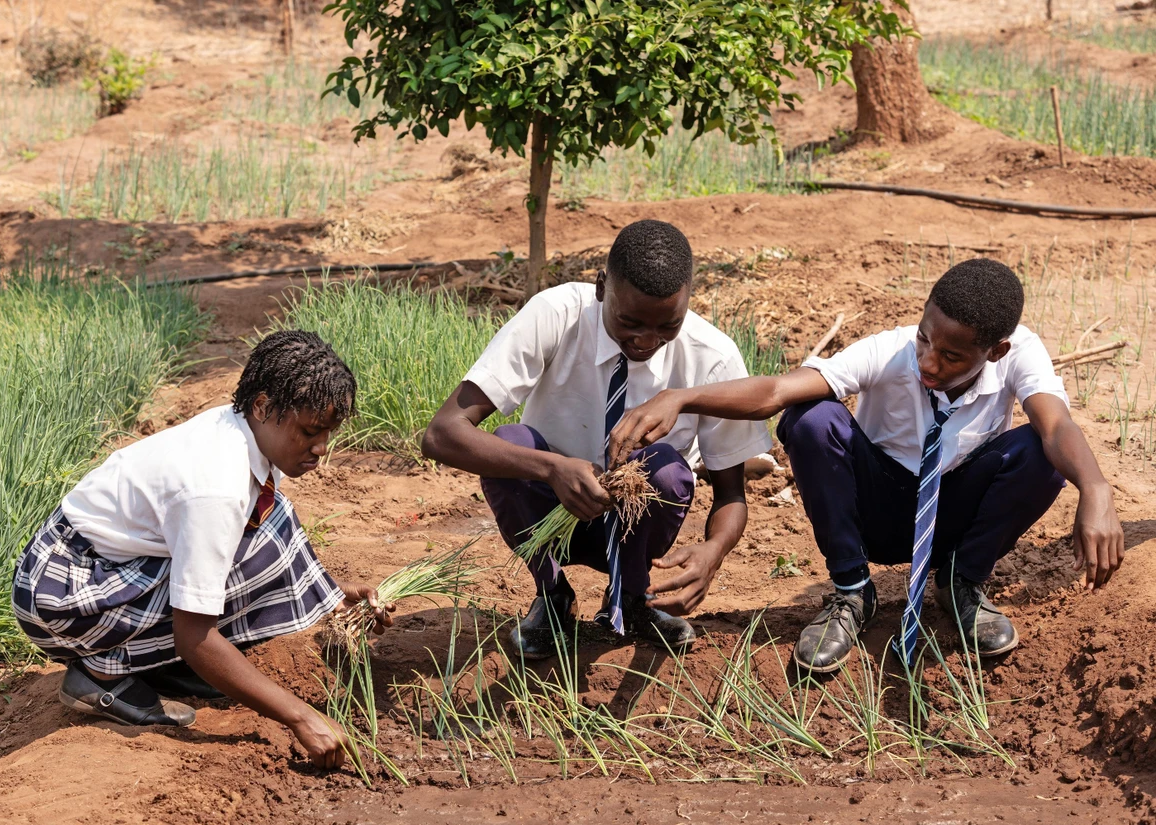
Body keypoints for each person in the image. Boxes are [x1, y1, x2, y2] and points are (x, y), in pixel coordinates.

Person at [607, 258, 1125, 673]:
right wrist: (682, 397)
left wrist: (1096, 489)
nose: (928, 362)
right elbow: (777, 391)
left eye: (951, 357)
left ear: (996, 351)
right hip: (879, 510)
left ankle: (960, 583)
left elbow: (1056, 426)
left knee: (1042, 453)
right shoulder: (890, 351)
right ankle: (852, 592)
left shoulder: (1020, 352)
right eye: (925, 338)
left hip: (952, 514)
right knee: (811, 418)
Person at [12, 330, 392, 769]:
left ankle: (156, 666)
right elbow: (194, 637)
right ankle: (102, 673)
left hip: (97, 562)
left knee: (270, 526)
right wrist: (301, 717)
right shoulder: (216, 486)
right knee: (249, 561)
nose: (321, 448)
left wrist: (332, 594)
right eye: (309, 431)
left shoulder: (242, 431)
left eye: (329, 432)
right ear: (263, 406)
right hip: (61, 592)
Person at [422, 219, 772, 659]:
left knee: (667, 468)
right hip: (551, 509)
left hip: (638, 533)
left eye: (668, 325)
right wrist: (552, 468)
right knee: (512, 442)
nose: (646, 340)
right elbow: (442, 434)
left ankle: (632, 598)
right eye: (629, 322)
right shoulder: (556, 315)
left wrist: (714, 550)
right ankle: (553, 596)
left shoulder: (713, 358)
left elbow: (731, 494)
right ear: (601, 286)